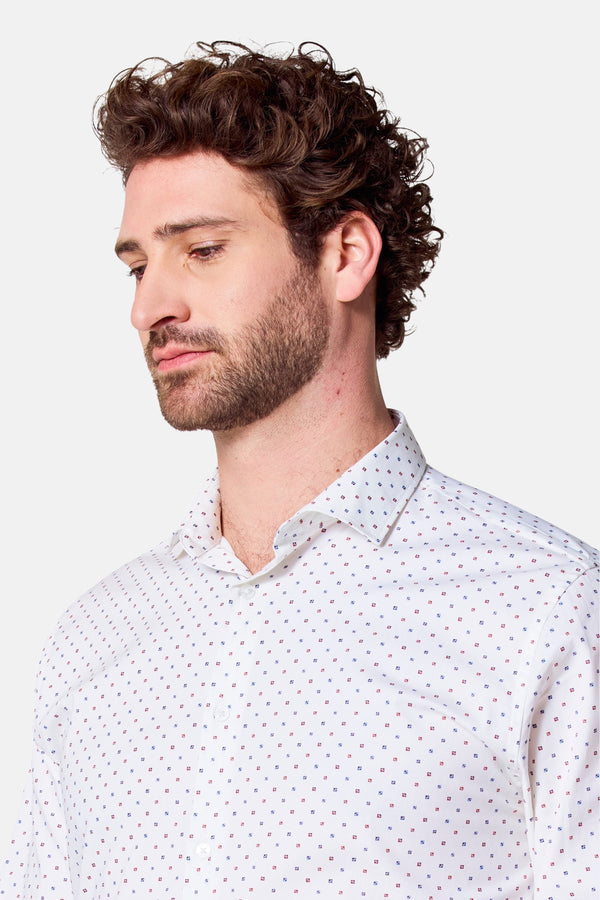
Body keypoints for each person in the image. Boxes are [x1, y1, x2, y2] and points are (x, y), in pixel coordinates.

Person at [2, 41, 597, 899]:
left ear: (345, 254)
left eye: (202, 249)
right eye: (137, 266)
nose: (149, 307)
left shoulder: (548, 610)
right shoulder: (93, 638)